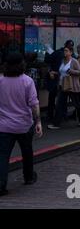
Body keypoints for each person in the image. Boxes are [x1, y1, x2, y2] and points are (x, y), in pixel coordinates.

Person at [0, 53, 43, 196]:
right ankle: (29, 177)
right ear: (22, 64)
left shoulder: (1, 81)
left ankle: (1, 185)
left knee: (3, 156)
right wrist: (38, 122)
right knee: (27, 151)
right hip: (24, 124)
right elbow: (34, 104)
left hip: (4, 125)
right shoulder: (27, 81)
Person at [47, 46, 80, 129]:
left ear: (71, 52)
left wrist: (70, 71)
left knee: (76, 104)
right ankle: (56, 124)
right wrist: (54, 73)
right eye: (64, 51)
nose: (64, 52)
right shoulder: (62, 61)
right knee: (59, 104)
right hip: (62, 86)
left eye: (66, 51)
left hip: (71, 86)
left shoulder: (74, 61)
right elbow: (61, 72)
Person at [44, 40, 74, 122]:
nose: (66, 53)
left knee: (55, 98)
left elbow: (47, 60)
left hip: (59, 80)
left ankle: (53, 116)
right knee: (62, 99)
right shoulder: (69, 56)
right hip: (62, 80)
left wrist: (48, 51)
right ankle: (62, 116)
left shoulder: (58, 53)